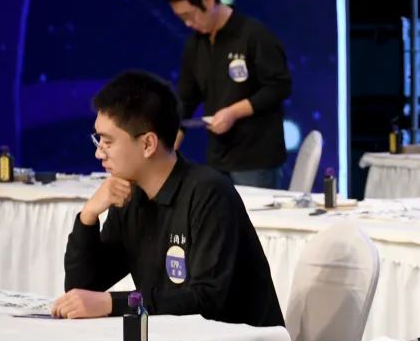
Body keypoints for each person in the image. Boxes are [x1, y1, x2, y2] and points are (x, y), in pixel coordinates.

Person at [53, 70, 284, 327]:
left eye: (107, 142)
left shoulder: (209, 192)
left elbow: (207, 299)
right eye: (97, 141)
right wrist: (88, 216)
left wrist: (113, 303)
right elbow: (81, 290)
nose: (99, 154)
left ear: (148, 144)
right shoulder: (130, 193)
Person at [165, 0, 292, 189]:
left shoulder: (253, 34)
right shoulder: (195, 45)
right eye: (181, 18)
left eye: (189, 15)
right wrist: (171, 140)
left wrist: (234, 112)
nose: (188, 23)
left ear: (207, 1)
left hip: (256, 159)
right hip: (218, 158)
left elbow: (279, 87)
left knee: (253, 213)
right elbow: (187, 97)